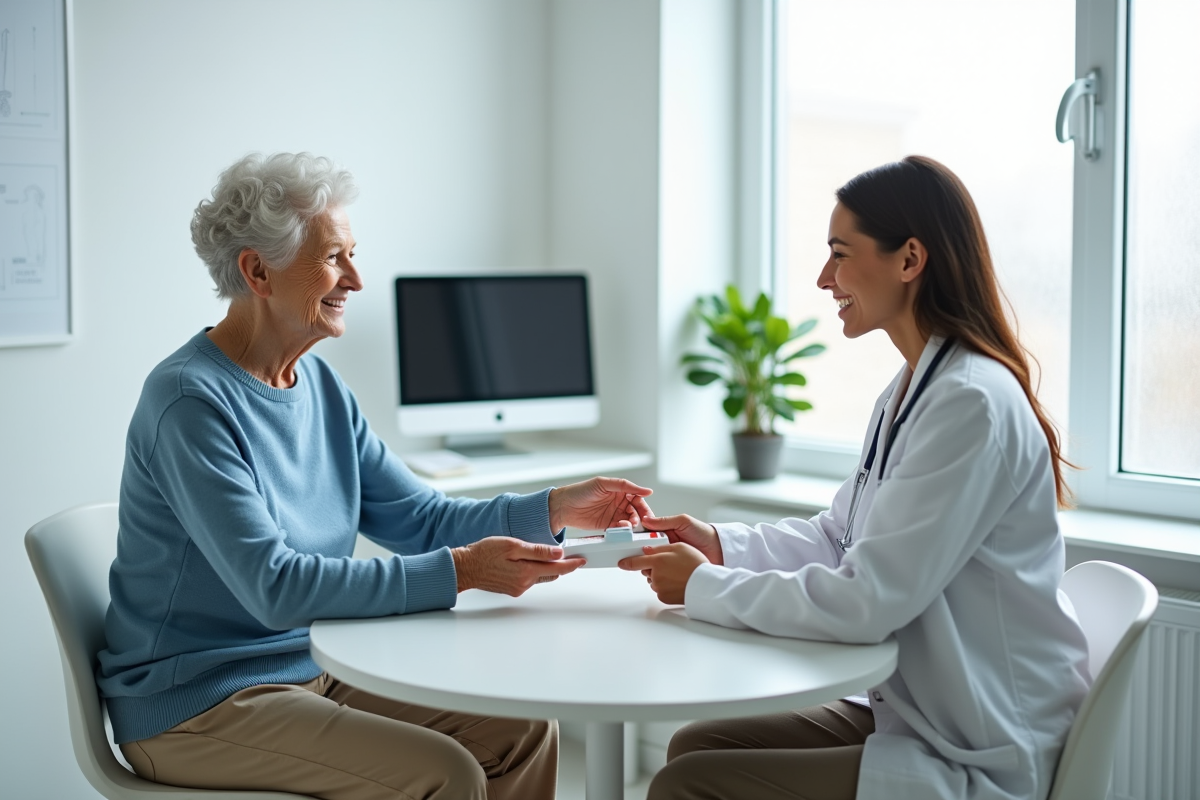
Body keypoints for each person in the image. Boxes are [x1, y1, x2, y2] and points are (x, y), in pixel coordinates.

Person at [97, 152, 652, 800]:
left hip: (313, 667)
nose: (356, 279)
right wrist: (464, 571)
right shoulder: (191, 404)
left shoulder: (322, 388)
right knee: (444, 775)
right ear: (257, 271)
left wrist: (556, 507)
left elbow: (422, 519)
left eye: (352, 254)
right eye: (335, 257)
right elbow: (275, 589)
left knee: (521, 732)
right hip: (200, 701)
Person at [620, 156, 1091, 800]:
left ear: (909, 259)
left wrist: (704, 586)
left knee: (689, 783)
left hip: (980, 745)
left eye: (840, 254)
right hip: (922, 711)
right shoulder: (912, 388)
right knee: (698, 744)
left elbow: (869, 603)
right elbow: (841, 537)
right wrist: (719, 545)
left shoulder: (969, 403)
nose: (824, 277)